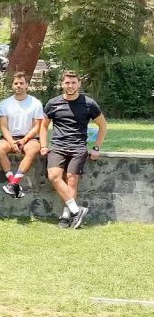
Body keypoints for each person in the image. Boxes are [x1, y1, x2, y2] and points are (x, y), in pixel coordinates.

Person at [41, 70, 107, 229]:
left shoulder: (89, 103)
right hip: (58, 146)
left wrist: (96, 147)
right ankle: (77, 211)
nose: (70, 86)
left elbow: (103, 125)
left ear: (79, 84)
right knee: (54, 176)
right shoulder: (53, 103)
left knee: (72, 179)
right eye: (67, 83)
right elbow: (43, 126)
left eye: (73, 83)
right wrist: (43, 145)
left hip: (78, 146)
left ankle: (66, 217)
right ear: (62, 84)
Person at [0, 71, 45, 199]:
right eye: (16, 83)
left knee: (33, 149)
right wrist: (11, 142)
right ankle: (13, 182)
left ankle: (14, 183)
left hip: (29, 137)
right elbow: (3, 126)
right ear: (12, 85)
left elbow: (37, 127)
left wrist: (24, 140)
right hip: (9, 137)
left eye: (21, 83)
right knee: (0, 149)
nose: (19, 86)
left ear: (27, 85)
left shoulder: (35, 103)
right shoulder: (5, 104)